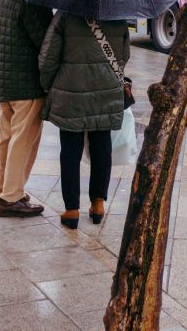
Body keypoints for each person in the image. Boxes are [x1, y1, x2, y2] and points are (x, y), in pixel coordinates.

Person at [39, 12, 129, 229]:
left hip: (71, 92)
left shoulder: (65, 15)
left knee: (70, 150)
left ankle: (71, 210)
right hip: (106, 91)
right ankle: (98, 204)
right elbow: (124, 56)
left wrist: (49, 85)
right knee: (102, 145)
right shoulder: (117, 15)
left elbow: (48, 58)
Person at [0, 0, 54, 217]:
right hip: (26, 81)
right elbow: (46, 41)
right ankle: (11, 197)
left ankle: (1, 191)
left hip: (3, 78)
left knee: (6, 137)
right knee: (23, 140)